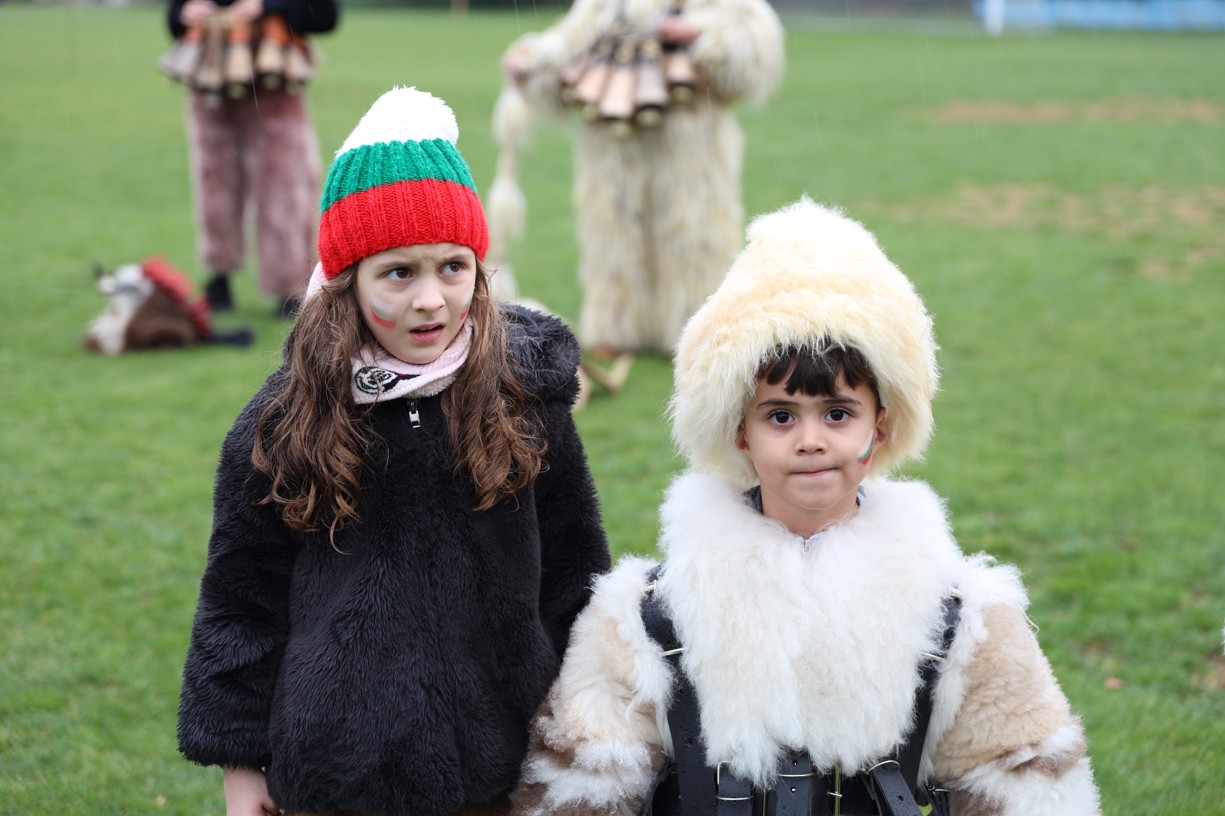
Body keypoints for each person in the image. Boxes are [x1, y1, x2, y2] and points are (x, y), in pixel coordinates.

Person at [505, 198, 1103, 815]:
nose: (811, 440)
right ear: (740, 433)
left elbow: (1030, 785)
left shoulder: (963, 621)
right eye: (780, 416)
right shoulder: (644, 620)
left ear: (881, 428)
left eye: (838, 414)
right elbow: (580, 788)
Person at [177, 87, 612, 816]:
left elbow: (576, 573)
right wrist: (240, 761)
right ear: (346, 282)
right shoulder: (282, 424)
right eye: (399, 272)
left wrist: (597, 723)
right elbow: (240, 600)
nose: (431, 299)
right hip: (340, 772)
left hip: (506, 761)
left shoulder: (526, 399)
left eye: (452, 266)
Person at [499, 0, 784, 357]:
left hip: (691, 149)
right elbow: (570, 44)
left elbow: (757, 42)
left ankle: (697, 328)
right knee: (612, 235)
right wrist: (532, 60)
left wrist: (700, 32)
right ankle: (615, 328)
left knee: (694, 235)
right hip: (611, 149)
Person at [166, 0, 338, 317]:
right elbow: (174, 16)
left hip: (275, 84)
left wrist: (266, 6)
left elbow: (325, 14)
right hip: (210, 80)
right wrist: (184, 13)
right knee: (214, 183)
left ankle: (290, 286)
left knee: (284, 185)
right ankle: (219, 275)